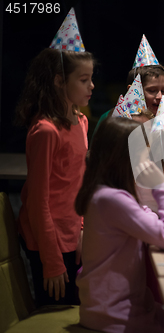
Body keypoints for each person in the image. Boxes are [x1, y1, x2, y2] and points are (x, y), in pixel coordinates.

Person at [75, 117, 164, 333]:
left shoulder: (106, 193)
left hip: (107, 308)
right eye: (144, 157)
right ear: (125, 159)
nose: (148, 165)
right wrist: (161, 186)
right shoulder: (112, 199)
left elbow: (148, 218)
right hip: (114, 317)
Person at [15, 47, 94, 306]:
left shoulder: (81, 121)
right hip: (47, 240)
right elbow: (38, 201)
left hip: (72, 233)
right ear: (60, 81)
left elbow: (78, 184)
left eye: (91, 78)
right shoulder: (46, 131)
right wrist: (51, 260)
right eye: (83, 80)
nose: (91, 86)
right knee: (54, 311)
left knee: (75, 308)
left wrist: (82, 228)